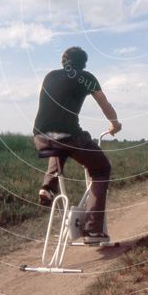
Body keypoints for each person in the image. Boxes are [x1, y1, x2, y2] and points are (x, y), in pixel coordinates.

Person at [33, 46, 122, 244]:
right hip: (69, 136)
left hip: (41, 136)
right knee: (101, 169)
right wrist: (115, 124)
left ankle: (47, 186)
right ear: (83, 63)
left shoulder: (49, 76)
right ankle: (93, 230)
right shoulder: (86, 77)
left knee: (60, 147)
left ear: (63, 61)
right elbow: (105, 105)